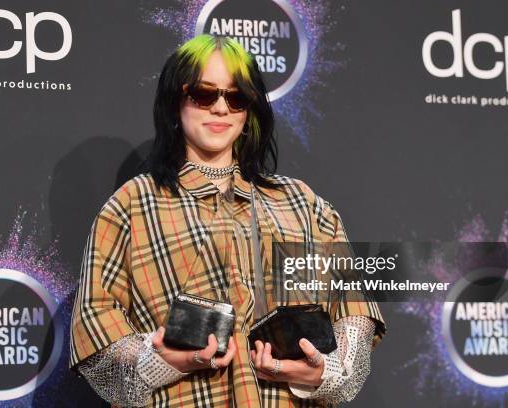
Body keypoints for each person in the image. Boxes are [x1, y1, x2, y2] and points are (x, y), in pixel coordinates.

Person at [69, 34, 386, 407]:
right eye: (204, 94)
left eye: (236, 98)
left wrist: (323, 373)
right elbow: (96, 327)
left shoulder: (302, 203)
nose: (221, 108)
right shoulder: (131, 206)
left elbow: (354, 315)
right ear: (175, 101)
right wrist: (159, 362)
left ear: (249, 110)